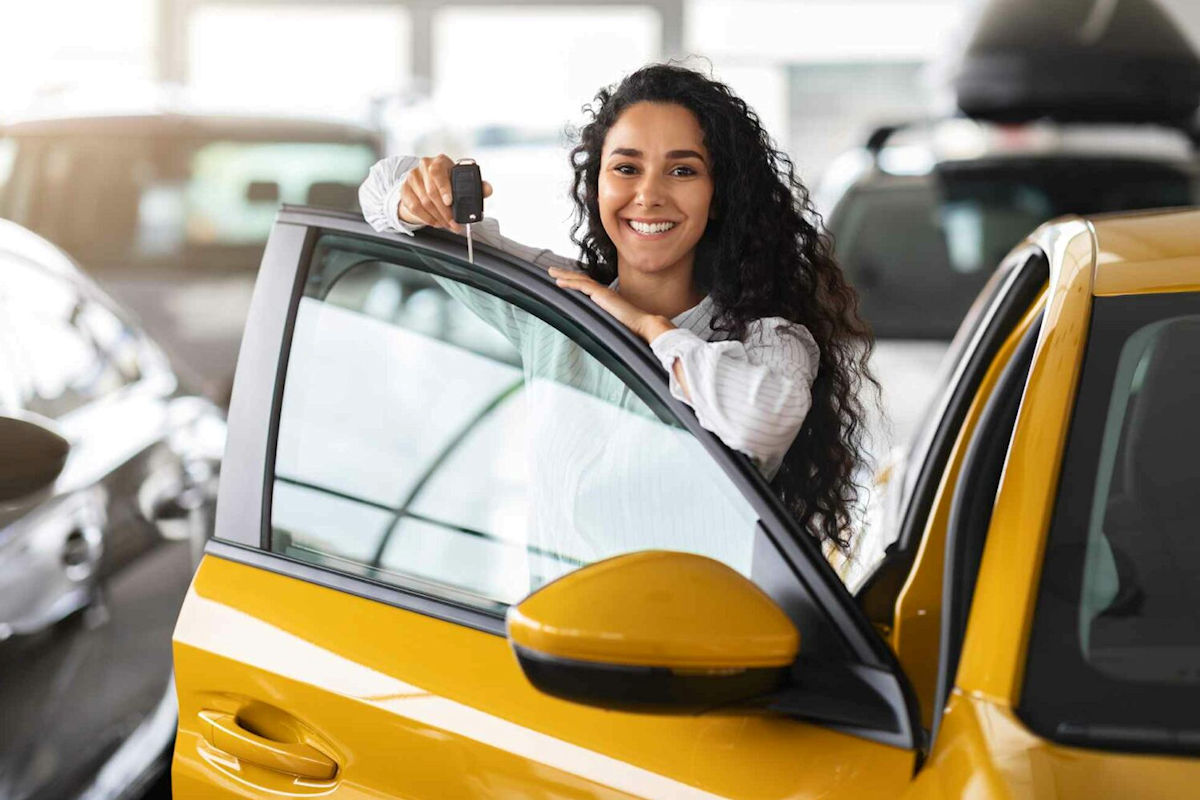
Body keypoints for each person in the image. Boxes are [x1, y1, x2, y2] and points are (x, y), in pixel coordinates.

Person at [359, 63, 874, 558]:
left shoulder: (767, 340)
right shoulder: (557, 302)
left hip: (707, 645)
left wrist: (651, 327)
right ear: (597, 185)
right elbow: (382, 195)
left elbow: (759, 422)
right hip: (553, 641)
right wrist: (418, 193)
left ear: (718, 197)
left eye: (682, 170)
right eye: (626, 168)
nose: (649, 194)